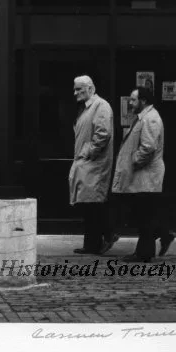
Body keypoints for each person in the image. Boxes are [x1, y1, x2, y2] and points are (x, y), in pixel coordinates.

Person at [111, 86, 175, 262]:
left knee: (144, 215)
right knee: (144, 214)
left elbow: (148, 147)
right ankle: (162, 236)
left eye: (133, 100)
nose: (130, 103)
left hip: (146, 176)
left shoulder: (150, 119)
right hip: (142, 176)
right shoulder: (144, 117)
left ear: (143, 101)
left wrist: (134, 161)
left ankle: (144, 253)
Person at [69, 75, 116, 255]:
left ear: (90, 88)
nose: (75, 93)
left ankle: (103, 237)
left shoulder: (100, 106)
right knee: (89, 204)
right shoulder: (88, 108)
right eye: (75, 89)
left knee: (93, 204)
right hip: (88, 163)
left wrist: (88, 152)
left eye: (79, 89)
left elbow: (103, 134)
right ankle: (93, 243)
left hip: (94, 164)